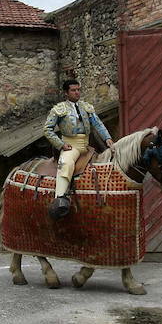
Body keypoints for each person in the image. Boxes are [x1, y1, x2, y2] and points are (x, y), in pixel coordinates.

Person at [42, 79, 114, 219]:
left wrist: (107, 138)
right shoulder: (59, 109)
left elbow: (98, 124)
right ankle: (60, 198)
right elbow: (47, 130)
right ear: (66, 93)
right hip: (71, 146)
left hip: (86, 146)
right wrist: (61, 144)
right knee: (66, 164)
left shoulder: (86, 107)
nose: (77, 92)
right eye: (73, 90)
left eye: (78, 90)